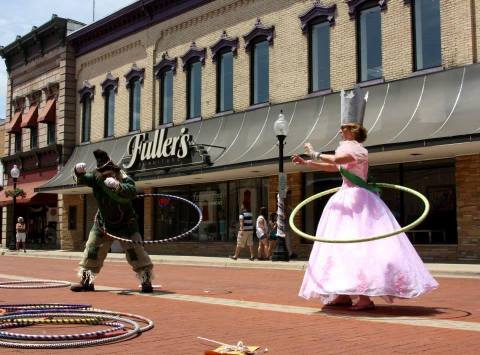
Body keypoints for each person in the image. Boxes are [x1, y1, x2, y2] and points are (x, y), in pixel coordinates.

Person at [291, 86, 438, 310]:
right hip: (343, 200)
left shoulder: (358, 150)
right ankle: (341, 293)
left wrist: (314, 153)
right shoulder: (345, 149)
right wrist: (307, 163)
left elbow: (339, 160)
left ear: (353, 131)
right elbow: (335, 168)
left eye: (343, 128)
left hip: (359, 203)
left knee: (360, 247)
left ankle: (365, 296)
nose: (340, 132)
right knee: (339, 248)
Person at [70, 149, 154, 293]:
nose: (106, 174)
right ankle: (86, 282)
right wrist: (78, 172)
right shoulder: (96, 178)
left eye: (108, 171)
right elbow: (82, 179)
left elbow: (132, 190)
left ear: (113, 169)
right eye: (102, 171)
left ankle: (146, 282)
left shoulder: (122, 176)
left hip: (127, 224)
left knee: (137, 252)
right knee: (92, 250)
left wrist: (118, 186)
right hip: (103, 224)